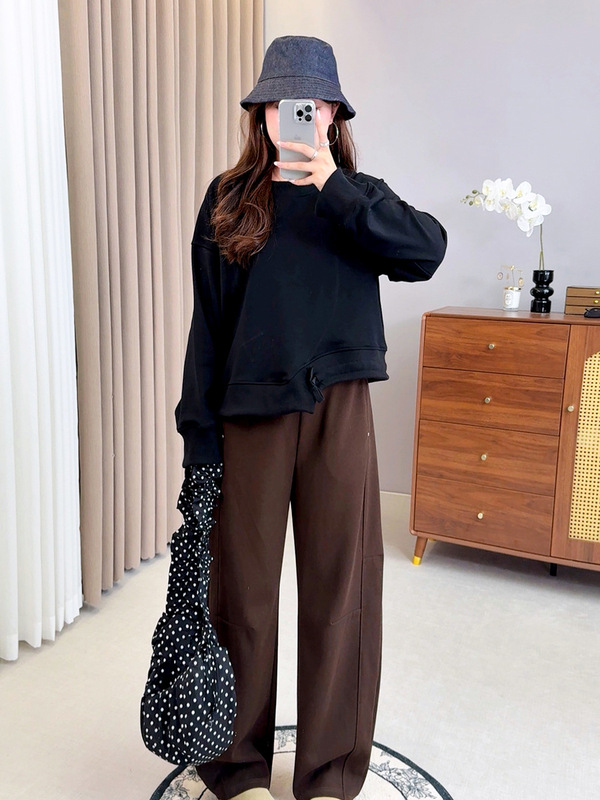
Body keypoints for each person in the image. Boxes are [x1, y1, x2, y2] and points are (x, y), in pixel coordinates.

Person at [174, 34, 447, 800]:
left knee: (341, 595)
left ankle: (329, 776)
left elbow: (426, 251)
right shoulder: (228, 198)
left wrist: (332, 186)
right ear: (261, 113)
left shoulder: (360, 198)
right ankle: (237, 771)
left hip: (339, 412)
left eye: (314, 102)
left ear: (332, 114)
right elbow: (208, 329)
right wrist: (199, 440)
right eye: (281, 102)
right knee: (243, 596)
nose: (297, 114)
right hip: (250, 415)